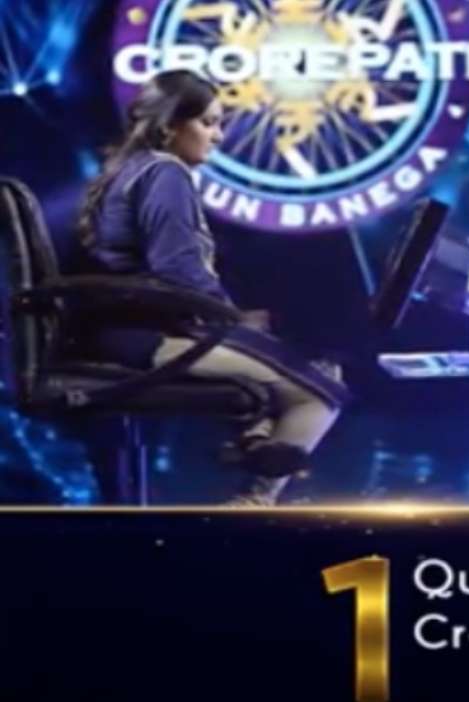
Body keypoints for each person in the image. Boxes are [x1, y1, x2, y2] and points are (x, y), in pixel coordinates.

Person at [72, 69, 349, 506]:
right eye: (208, 123)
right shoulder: (166, 174)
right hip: (146, 337)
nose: (218, 136)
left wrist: (235, 321)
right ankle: (253, 503)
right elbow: (179, 269)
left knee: (303, 359)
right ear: (170, 126)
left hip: (132, 329)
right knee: (322, 392)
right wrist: (232, 319)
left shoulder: (133, 168)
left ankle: (256, 439)